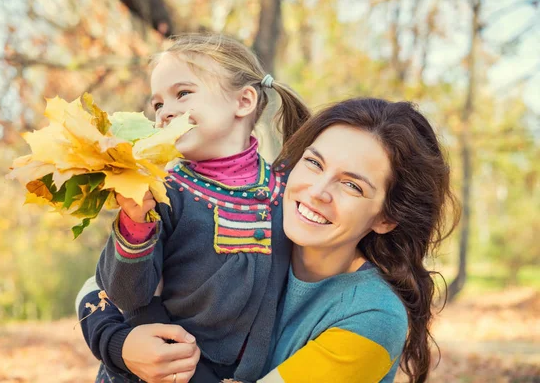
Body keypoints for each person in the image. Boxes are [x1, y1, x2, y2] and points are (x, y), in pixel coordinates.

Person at [78, 98, 458, 383]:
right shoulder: (251, 220)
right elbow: (95, 287)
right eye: (314, 163)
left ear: (387, 218)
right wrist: (120, 346)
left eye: (352, 185)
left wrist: (139, 342)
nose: (317, 192)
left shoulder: (373, 318)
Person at [89, 32, 310, 383]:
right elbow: (125, 295)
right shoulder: (162, 192)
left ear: (244, 101)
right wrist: (134, 222)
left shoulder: (286, 190)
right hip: (162, 371)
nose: (165, 113)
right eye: (157, 104)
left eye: (183, 93)